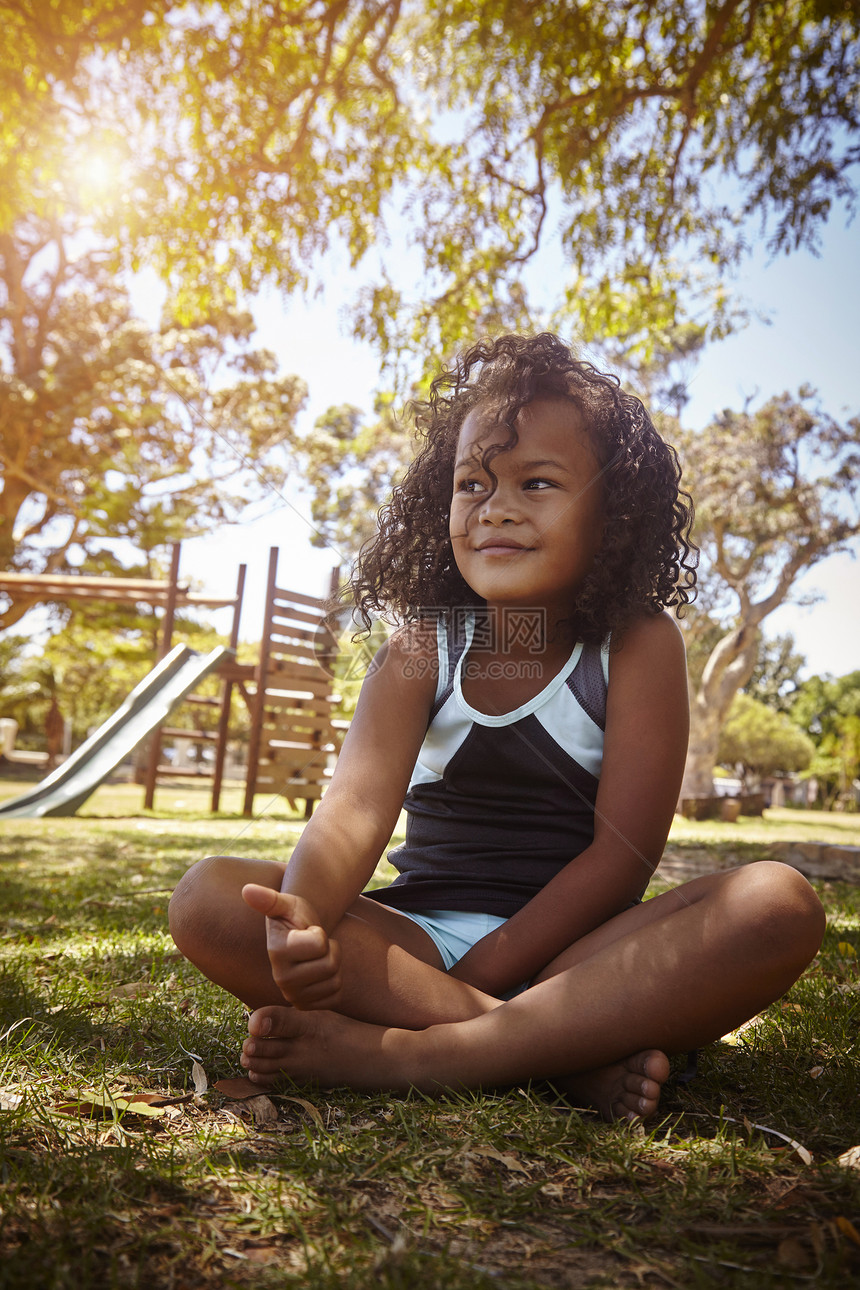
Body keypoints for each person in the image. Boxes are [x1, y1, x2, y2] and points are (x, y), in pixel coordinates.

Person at [169, 333, 825, 1121]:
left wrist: (493, 966)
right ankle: (556, 1059)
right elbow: (351, 811)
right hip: (416, 945)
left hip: (579, 963)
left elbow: (622, 857)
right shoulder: (418, 650)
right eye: (471, 483)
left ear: (612, 512)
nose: (495, 508)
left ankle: (422, 1056)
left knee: (777, 903)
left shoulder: (641, 644)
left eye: (537, 482)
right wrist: (303, 916)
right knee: (208, 899)